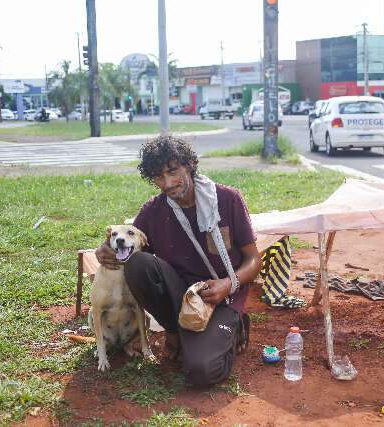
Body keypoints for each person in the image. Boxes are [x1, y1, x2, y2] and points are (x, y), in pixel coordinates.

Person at [95, 135, 261, 387]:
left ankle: (233, 329)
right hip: (179, 295)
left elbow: (253, 260)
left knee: (201, 371)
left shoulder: (228, 200)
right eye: (158, 177)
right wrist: (104, 249)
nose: (168, 183)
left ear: (189, 165)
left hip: (219, 297)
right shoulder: (154, 210)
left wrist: (229, 284)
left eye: (173, 171)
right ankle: (175, 329)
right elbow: (128, 240)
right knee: (138, 263)